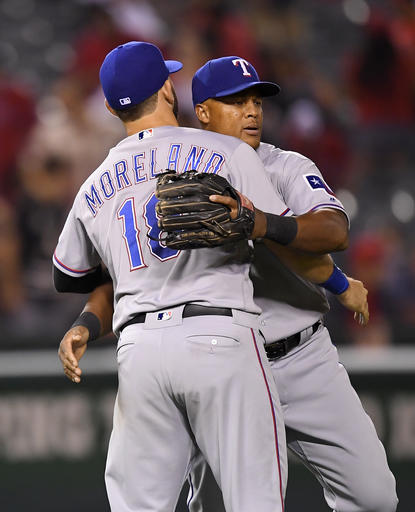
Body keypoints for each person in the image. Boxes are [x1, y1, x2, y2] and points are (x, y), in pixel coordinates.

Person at [59, 55, 397, 512]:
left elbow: (333, 233)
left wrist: (279, 237)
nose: (253, 111)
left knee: (374, 497)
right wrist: (85, 321)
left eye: (257, 99)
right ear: (198, 108)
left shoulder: (280, 164)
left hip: (296, 354)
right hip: (225, 355)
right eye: (237, 101)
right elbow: (121, 279)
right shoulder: (187, 165)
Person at [53, 41, 294, 512]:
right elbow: (287, 236)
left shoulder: (92, 186)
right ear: (168, 87)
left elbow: (70, 275)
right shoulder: (224, 151)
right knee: (256, 502)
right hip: (219, 335)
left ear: (109, 106)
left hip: (139, 352)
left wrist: (88, 318)